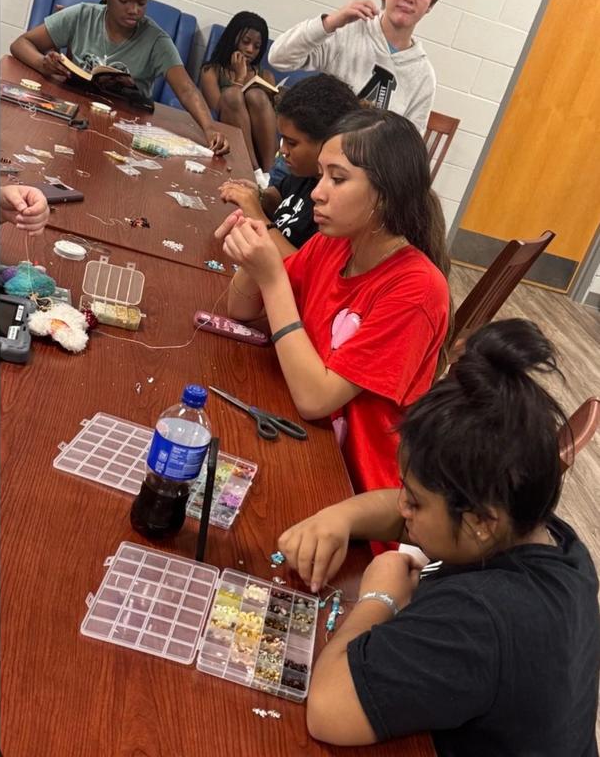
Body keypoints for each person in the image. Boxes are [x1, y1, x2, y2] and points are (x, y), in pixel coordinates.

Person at [276, 319, 600, 755]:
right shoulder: (550, 538)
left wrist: (381, 597)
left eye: (415, 500)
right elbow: (415, 514)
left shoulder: (480, 620)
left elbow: (328, 710)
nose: (402, 508)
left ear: (482, 521)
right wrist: (340, 517)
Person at [215, 108, 450, 497]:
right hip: (303, 444)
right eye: (321, 174)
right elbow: (240, 310)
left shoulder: (418, 289)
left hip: (352, 492)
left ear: (386, 195)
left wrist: (272, 278)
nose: (316, 191)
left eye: (337, 179)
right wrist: (250, 256)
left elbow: (316, 399)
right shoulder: (334, 245)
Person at [9, 0, 228, 156]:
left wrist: (209, 128)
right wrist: (42, 64)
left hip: (124, 128)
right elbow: (21, 43)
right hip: (75, 116)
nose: (134, 10)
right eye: (124, 0)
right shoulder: (82, 15)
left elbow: (187, 89)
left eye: (142, 2)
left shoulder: (156, 40)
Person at [268, 0, 444, 135]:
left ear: (430, 5)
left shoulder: (423, 76)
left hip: (366, 161)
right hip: (318, 149)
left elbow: (408, 145)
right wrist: (330, 22)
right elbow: (279, 58)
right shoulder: (348, 30)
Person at [218, 73, 360, 256]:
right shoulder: (305, 174)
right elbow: (280, 198)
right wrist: (257, 195)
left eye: (292, 143)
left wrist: (256, 214)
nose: (283, 150)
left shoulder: (337, 208)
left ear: (328, 142)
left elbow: (301, 268)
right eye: (282, 139)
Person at [199, 12, 277, 178]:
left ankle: (270, 173)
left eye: (257, 46)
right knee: (232, 96)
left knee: (256, 95)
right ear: (233, 39)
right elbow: (217, 109)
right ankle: (254, 171)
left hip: (261, 144)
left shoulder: (266, 75)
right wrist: (239, 78)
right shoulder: (211, 71)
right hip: (230, 137)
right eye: (246, 42)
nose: (250, 50)